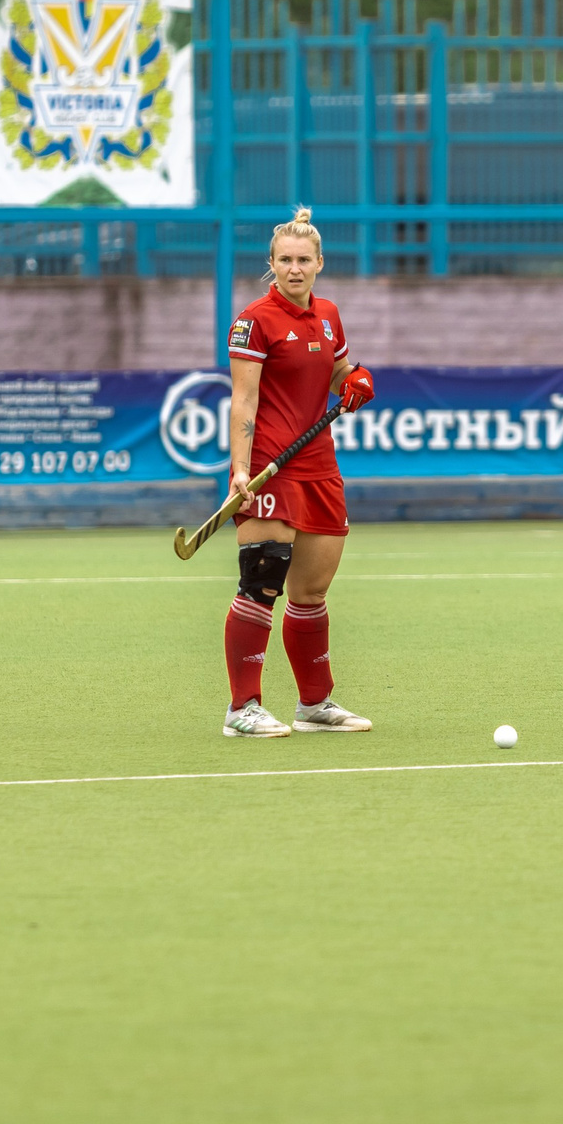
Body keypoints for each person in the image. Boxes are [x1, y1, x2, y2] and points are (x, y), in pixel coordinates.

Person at [218, 207, 380, 738]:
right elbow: (243, 400)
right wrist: (240, 470)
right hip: (269, 464)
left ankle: (314, 705)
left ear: (319, 263)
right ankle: (243, 708)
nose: (294, 268)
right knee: (261, 582)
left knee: (311, 591)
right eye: (284, 260)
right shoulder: (253, 321)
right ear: (271, 265)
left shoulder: (329, 314)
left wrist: (353, 379)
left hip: (318, 465)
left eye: (303, 260)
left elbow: (335, 370)